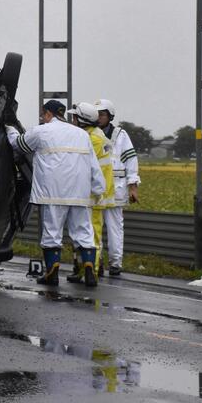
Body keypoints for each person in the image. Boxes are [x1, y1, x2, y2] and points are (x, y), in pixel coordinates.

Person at [6, 100, 105, 287]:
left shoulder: (41, 131)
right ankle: (90, 273)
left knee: (52, 233)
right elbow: (93, 164)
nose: (42, 117)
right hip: (79, 193)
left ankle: (52, 275)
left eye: (43, 114)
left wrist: (10, 129)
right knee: (84, 232)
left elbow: (17, 145)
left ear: (48, 114)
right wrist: (98, 189)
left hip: (53, 193)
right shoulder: (82, 135)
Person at [66, 102, 116, 283]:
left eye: (74, 117)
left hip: (94, 194)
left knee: (92, 233)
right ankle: (82, 269)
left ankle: (92, 270)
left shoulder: (93, 138)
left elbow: (84, 165)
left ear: (82, 120)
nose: (72, 120)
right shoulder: (92, 135)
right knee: (83, 232)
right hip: (90, 192)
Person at [95, 99, 140, 276]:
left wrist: (133, 187)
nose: (99, 118)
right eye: (97, 114)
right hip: (96, 189)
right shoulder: (90, 133)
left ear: (110, 116)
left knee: (114, 227)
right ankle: (95, 259)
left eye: (102, 114)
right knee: (94, 226)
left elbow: (132, 161)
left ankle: (115, 263)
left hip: (116, 189)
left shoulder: (121, 135)